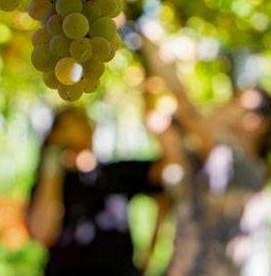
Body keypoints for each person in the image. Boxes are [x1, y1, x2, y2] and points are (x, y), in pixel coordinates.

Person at [141, 35, 271, 276]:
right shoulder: (209, 161)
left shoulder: (243, 168)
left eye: (236, 101)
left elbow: (188, 112)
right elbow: (157, 124)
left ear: (256, 124)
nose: (224, 102)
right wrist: (150, 73)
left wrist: (147, 38)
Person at [26, 107, 170, 276]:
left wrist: (157, 115)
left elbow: (169, 171)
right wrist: (52, 158)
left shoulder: (116, 174)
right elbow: (42, 234)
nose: (85, 126)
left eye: (84, 121)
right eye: (71, 124)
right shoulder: (51, 184)